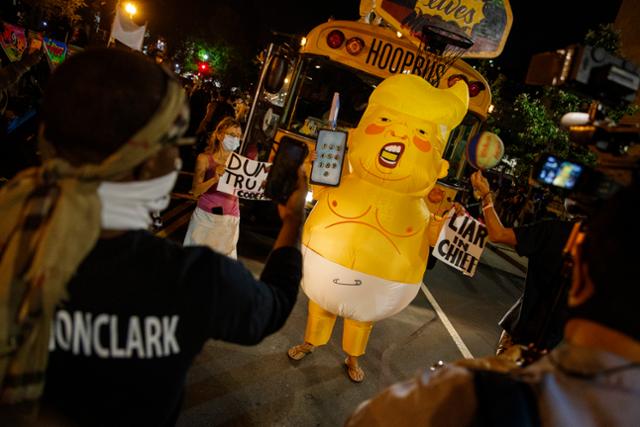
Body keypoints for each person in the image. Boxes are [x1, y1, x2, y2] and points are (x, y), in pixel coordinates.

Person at [0, 48, 307, 426]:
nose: (177, 157)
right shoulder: (193, 280)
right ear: (148, 161)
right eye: (172, 142)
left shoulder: (11, 221)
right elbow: (272, 307)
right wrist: (292, 221)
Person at [346, 182, 640, 426]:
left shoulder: (471, 393)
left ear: (580, 279)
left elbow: (366, 420)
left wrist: (485, 196)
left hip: (522, 339)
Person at [471, 170, 575, 354]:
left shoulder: (554, 231)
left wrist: (486, 195)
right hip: (558, 350)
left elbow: (498, 233)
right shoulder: (609, 251)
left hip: (522, 335)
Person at [183, 116, 243, 258]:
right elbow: (196, 191)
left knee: (221, 269)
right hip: (205, 220)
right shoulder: (204, 159)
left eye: (239, 136)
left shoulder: (240, 163)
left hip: (229, 221)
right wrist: (214, 179)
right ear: (220, 135)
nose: (235, 139)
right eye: (232, 135)